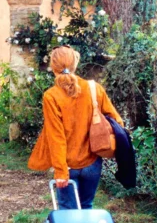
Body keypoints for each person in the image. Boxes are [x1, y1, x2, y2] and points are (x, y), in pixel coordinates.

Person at [28, 45, 123, 209]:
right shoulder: (95, 89)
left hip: (67, 166)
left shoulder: (51, 96)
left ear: (53, 67)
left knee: (67, 211)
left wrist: (60, 171)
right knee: (86, 207)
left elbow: (56, 136)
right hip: (93, 162)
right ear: (75, 65)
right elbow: (117, 122)